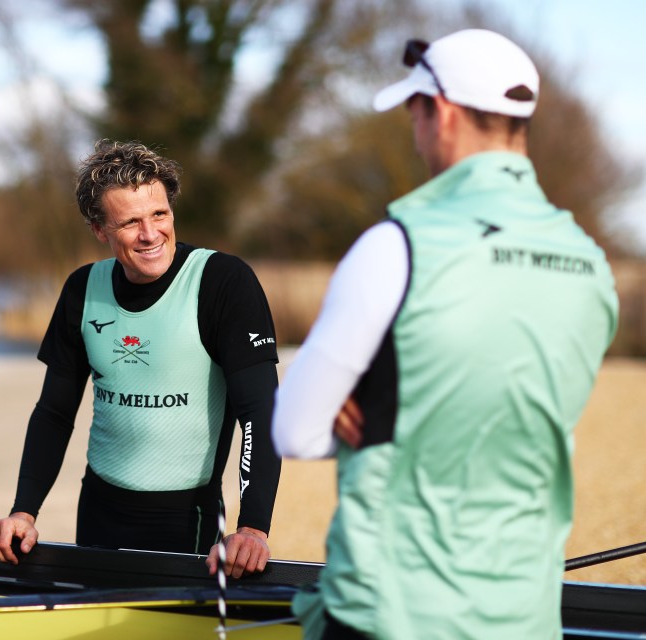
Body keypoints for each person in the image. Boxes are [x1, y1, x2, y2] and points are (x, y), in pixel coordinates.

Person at [272, 29, 619, 640]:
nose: (415, 131)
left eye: (414, 111)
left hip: (390, 615)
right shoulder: (590, 263)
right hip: (525, 619)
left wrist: (379, 412)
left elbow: (294, 431)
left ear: (445, 114)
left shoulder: (395, 244)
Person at [0, 139, 281, 577]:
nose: (150, 233)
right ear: (99, 229)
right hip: (99, 510)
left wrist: (253, 527)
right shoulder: (83, 288)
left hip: (187, 519)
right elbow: (54, 413)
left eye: (159, 214)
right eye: (130, 221)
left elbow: (261, 412)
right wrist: (24, 512)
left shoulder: (222, 282)